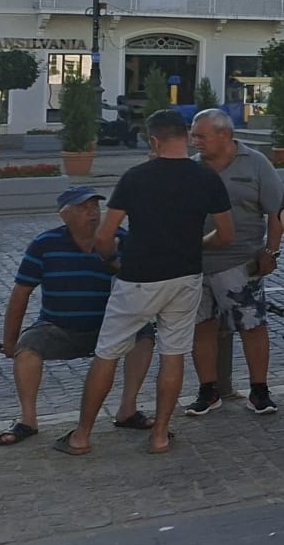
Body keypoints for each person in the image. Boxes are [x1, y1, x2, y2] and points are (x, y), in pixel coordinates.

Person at [56, 110, 235, 456]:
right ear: (186, 137)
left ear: (154, 140)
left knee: (107, 353)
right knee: (173, 353)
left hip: (138, 278)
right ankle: (160, 435)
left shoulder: (135, 177)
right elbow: (226, 235)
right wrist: (195, 245)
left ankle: (81, 436)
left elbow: (104, 236)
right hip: (186, 276)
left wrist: (111, 260)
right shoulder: (207, 178)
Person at [0, 187, 154, 446]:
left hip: (109, 327)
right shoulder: (45, 244)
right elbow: (21, 293)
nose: (92, 213)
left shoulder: (119, 238)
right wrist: (9, 341)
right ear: (64, 215)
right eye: (83, 208)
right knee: (28, 349)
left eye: (95, 207)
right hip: (58, 327)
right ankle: (28, 420)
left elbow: (141, 281)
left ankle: (128, 409)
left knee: (144, 335)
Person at [184, 109, 284, 417]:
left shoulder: (256, 163)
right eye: (193, 135)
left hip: (241, 261)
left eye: (201, 136)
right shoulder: (191, 168)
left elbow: (276, 210)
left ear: (225, 135)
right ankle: (208, 391)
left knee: (252, 326)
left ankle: (259, 391)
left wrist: (272, 251)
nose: (195, 141)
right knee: (202, 327)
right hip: (196, 263)